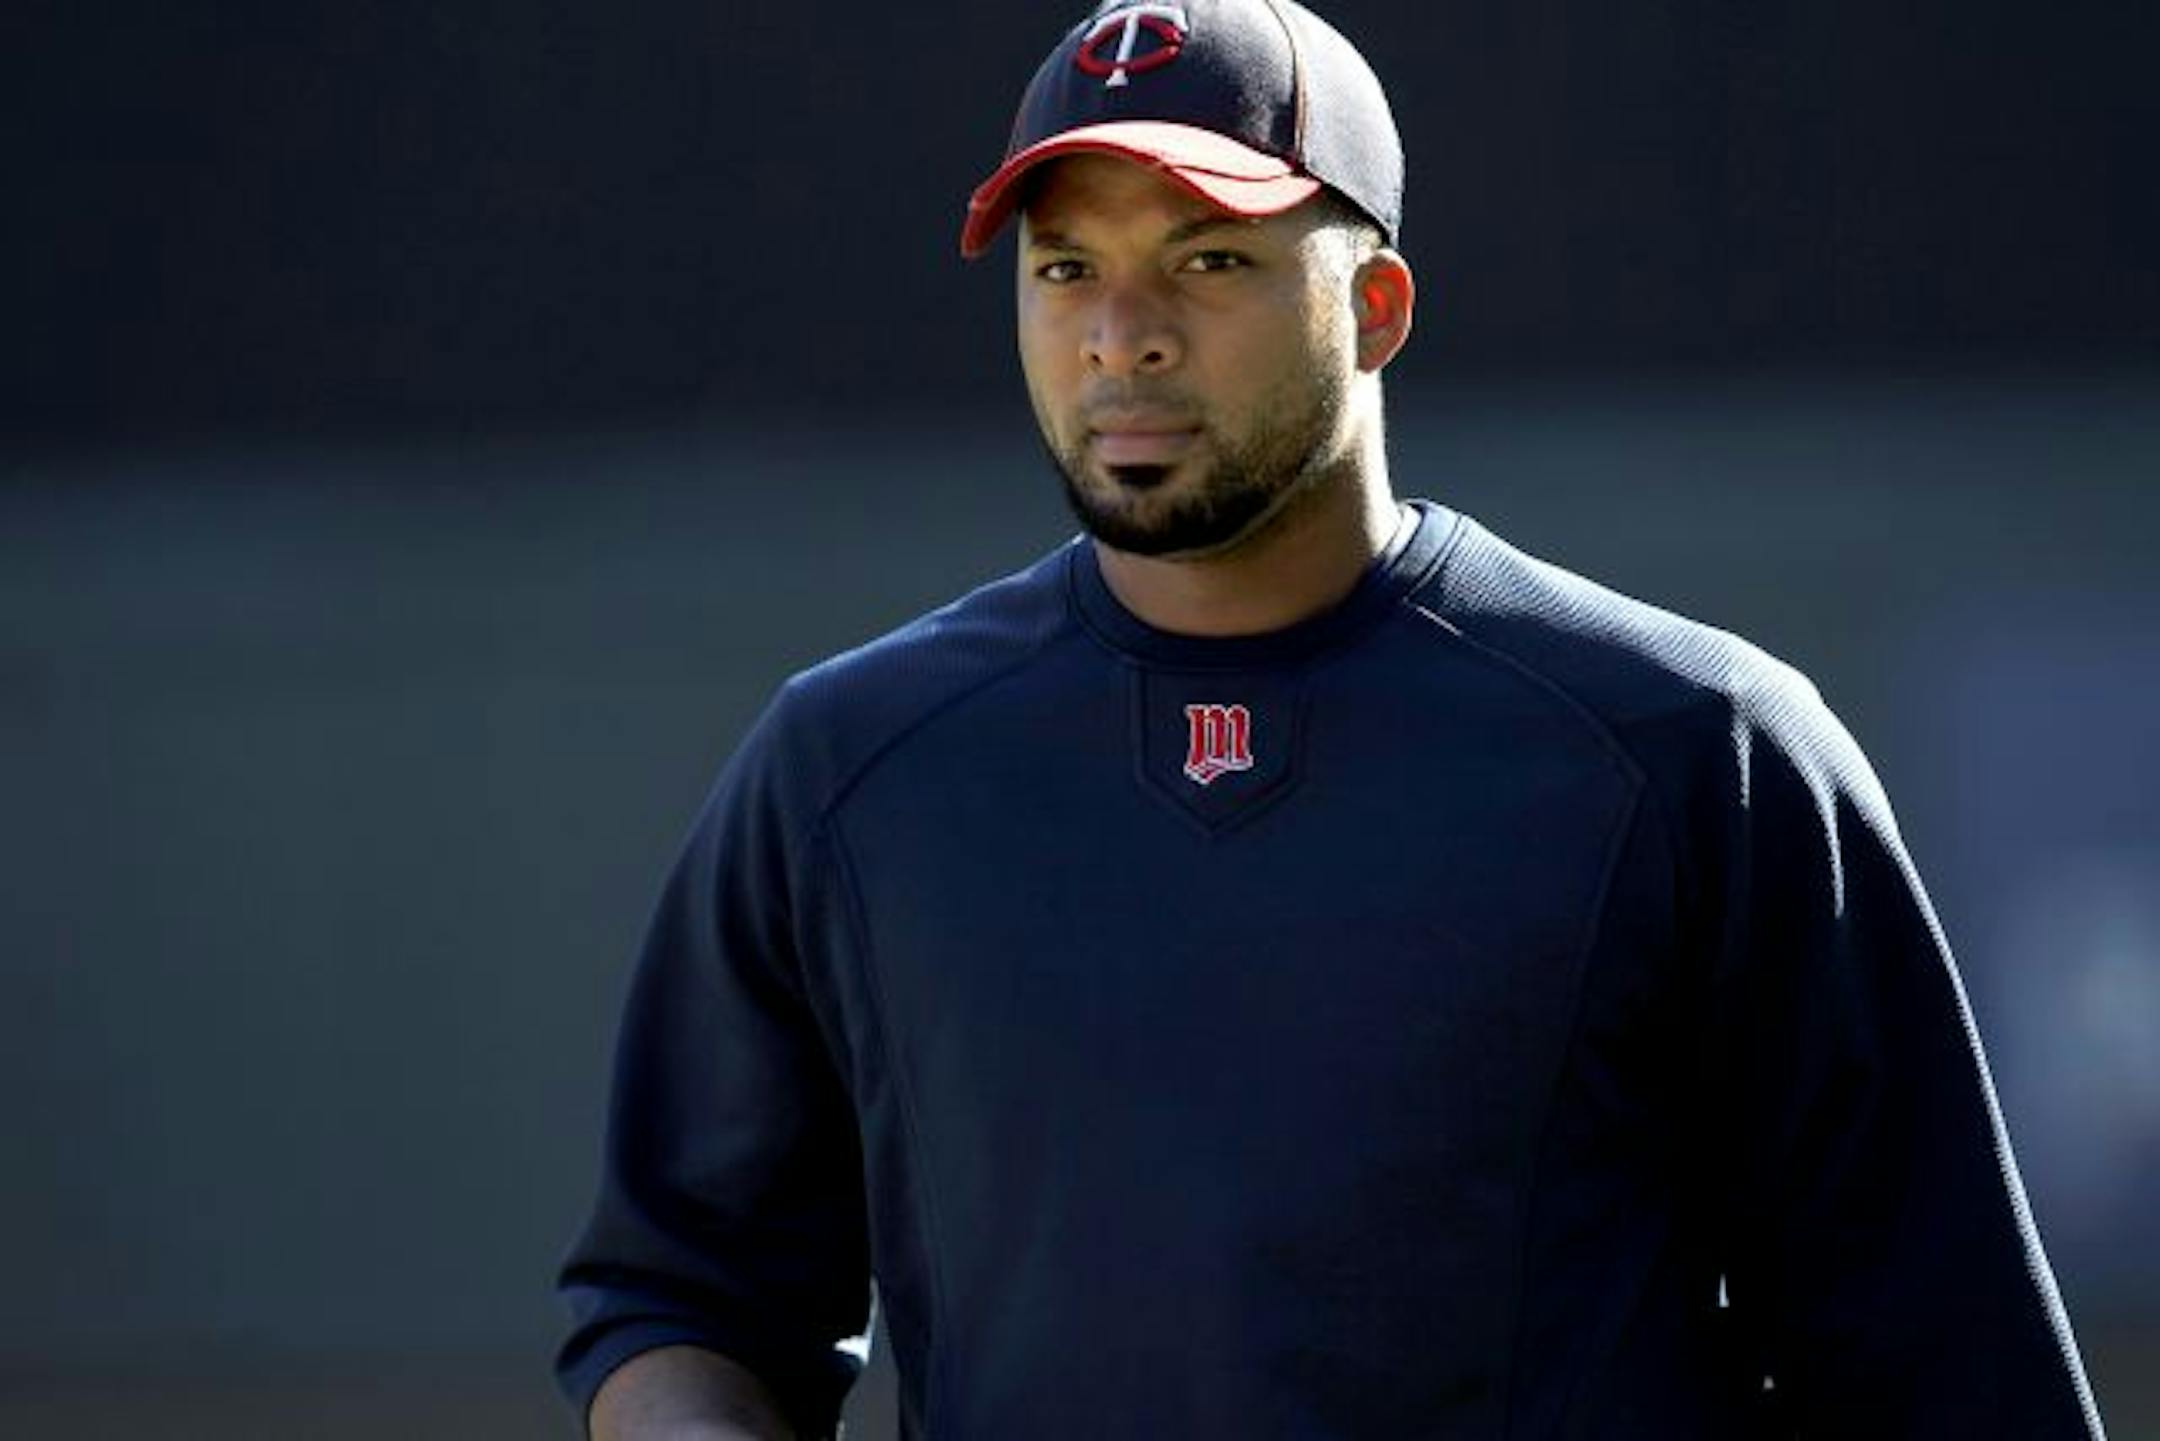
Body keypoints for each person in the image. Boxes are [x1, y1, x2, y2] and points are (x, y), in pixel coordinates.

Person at [554, 1, 2108, 1436]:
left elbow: (1944, 1366)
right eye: (1065, 267)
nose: (1121, 334)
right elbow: (681, 1303)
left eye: (1209, 257)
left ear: (1373, 305)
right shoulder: (851, 770)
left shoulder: (1696, 749)